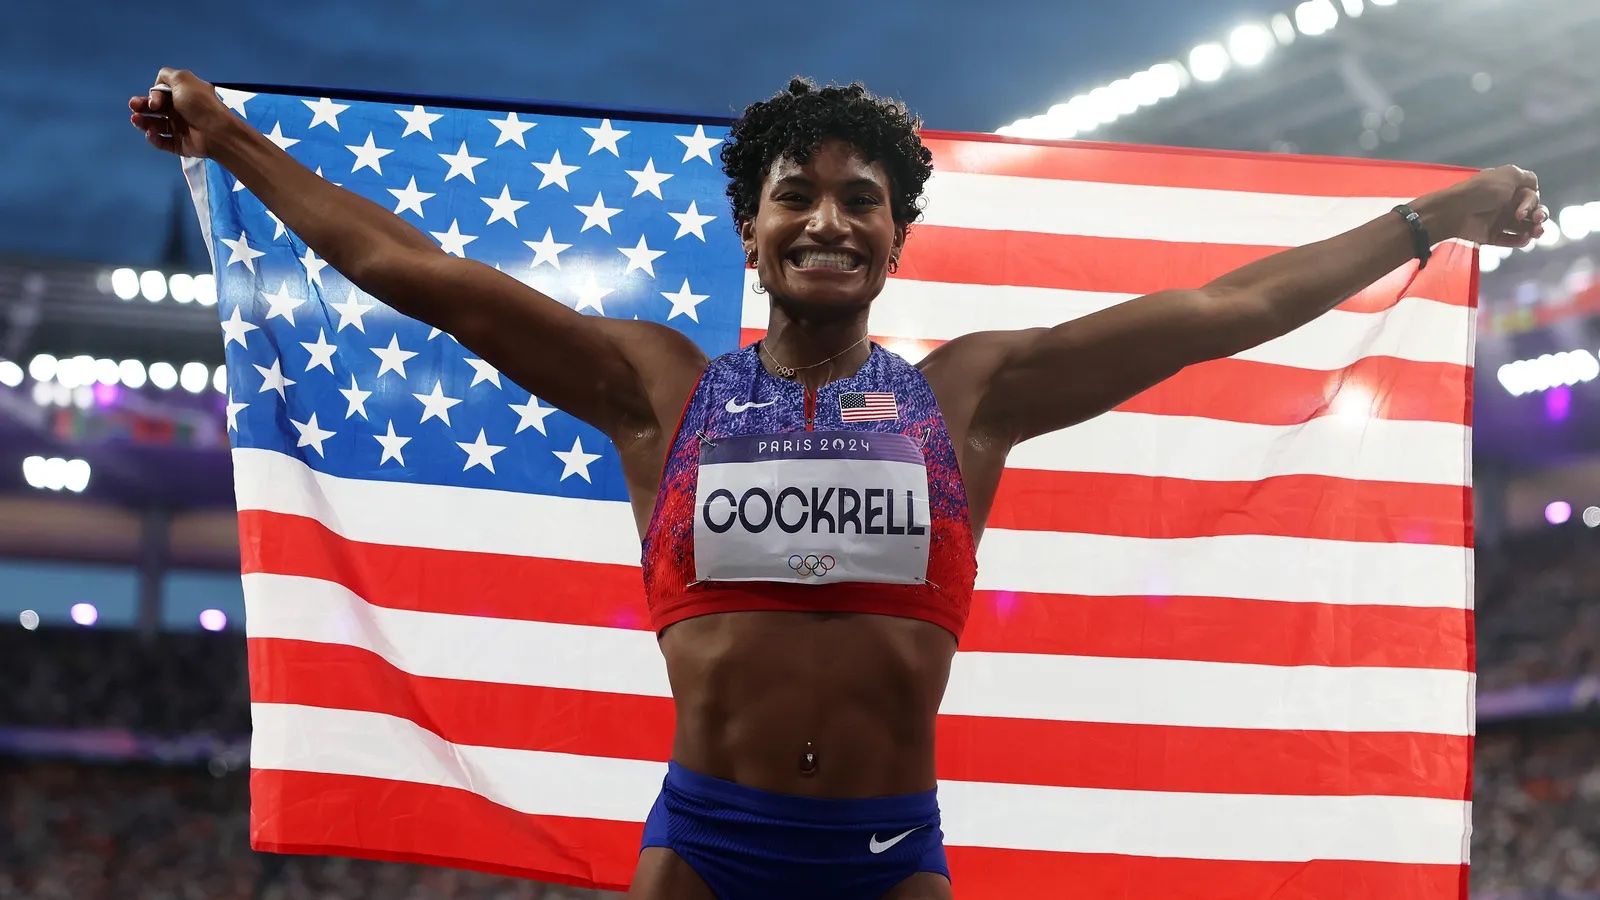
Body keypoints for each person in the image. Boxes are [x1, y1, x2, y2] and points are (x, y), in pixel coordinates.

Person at [131, 69, 1546, 900]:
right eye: (796, 196)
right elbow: (421, 278)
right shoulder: (660, 391)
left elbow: (1223, 309)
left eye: (860, 198)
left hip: (890, 850)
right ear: (750, 233)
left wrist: (1431, 218)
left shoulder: (968, 397)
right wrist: (231, 138)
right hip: (705, 840)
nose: (827, 217)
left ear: (894, 239)